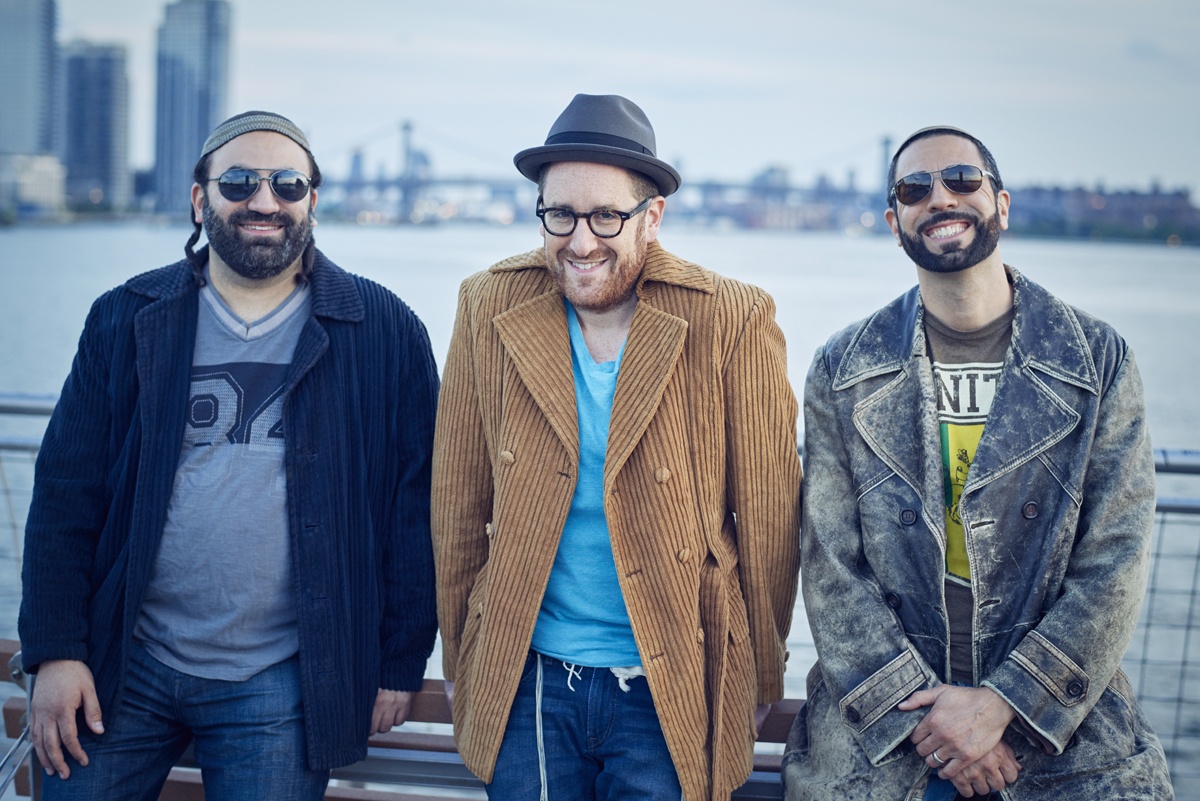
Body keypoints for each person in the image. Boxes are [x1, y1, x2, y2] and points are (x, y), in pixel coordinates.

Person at [18, 110, 439, 800]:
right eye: (239, 182)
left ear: (312, 200)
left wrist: (398, 661)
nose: (264, 201)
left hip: (281, 678)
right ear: (199, 199)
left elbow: (414, 510)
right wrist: (57, 651)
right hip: (123, 659)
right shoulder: (124, 317)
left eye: (287, 184)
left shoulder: (383, 329)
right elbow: (66, 492)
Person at [782, 125, 1174, 800]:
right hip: (893, 731)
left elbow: (1116, 557)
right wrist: (930, 722)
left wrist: (1005, 704)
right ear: (894, 222)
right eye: (915, 189)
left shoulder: (1095, 359)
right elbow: (830, 565)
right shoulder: (846, 368)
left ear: (1002, 205)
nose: (940, 198)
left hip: (1057, 732)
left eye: (962, 180)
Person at [431, 93, 802, 801]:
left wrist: (759, 673)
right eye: (560, 215)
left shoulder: (730, 317)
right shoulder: (487, 303)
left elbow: (768, 519)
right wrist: (461, 655)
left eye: (606, 216)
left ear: (651, 216)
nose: (580, 241)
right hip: (528, 675)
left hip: (674, 676)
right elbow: (456, 504)